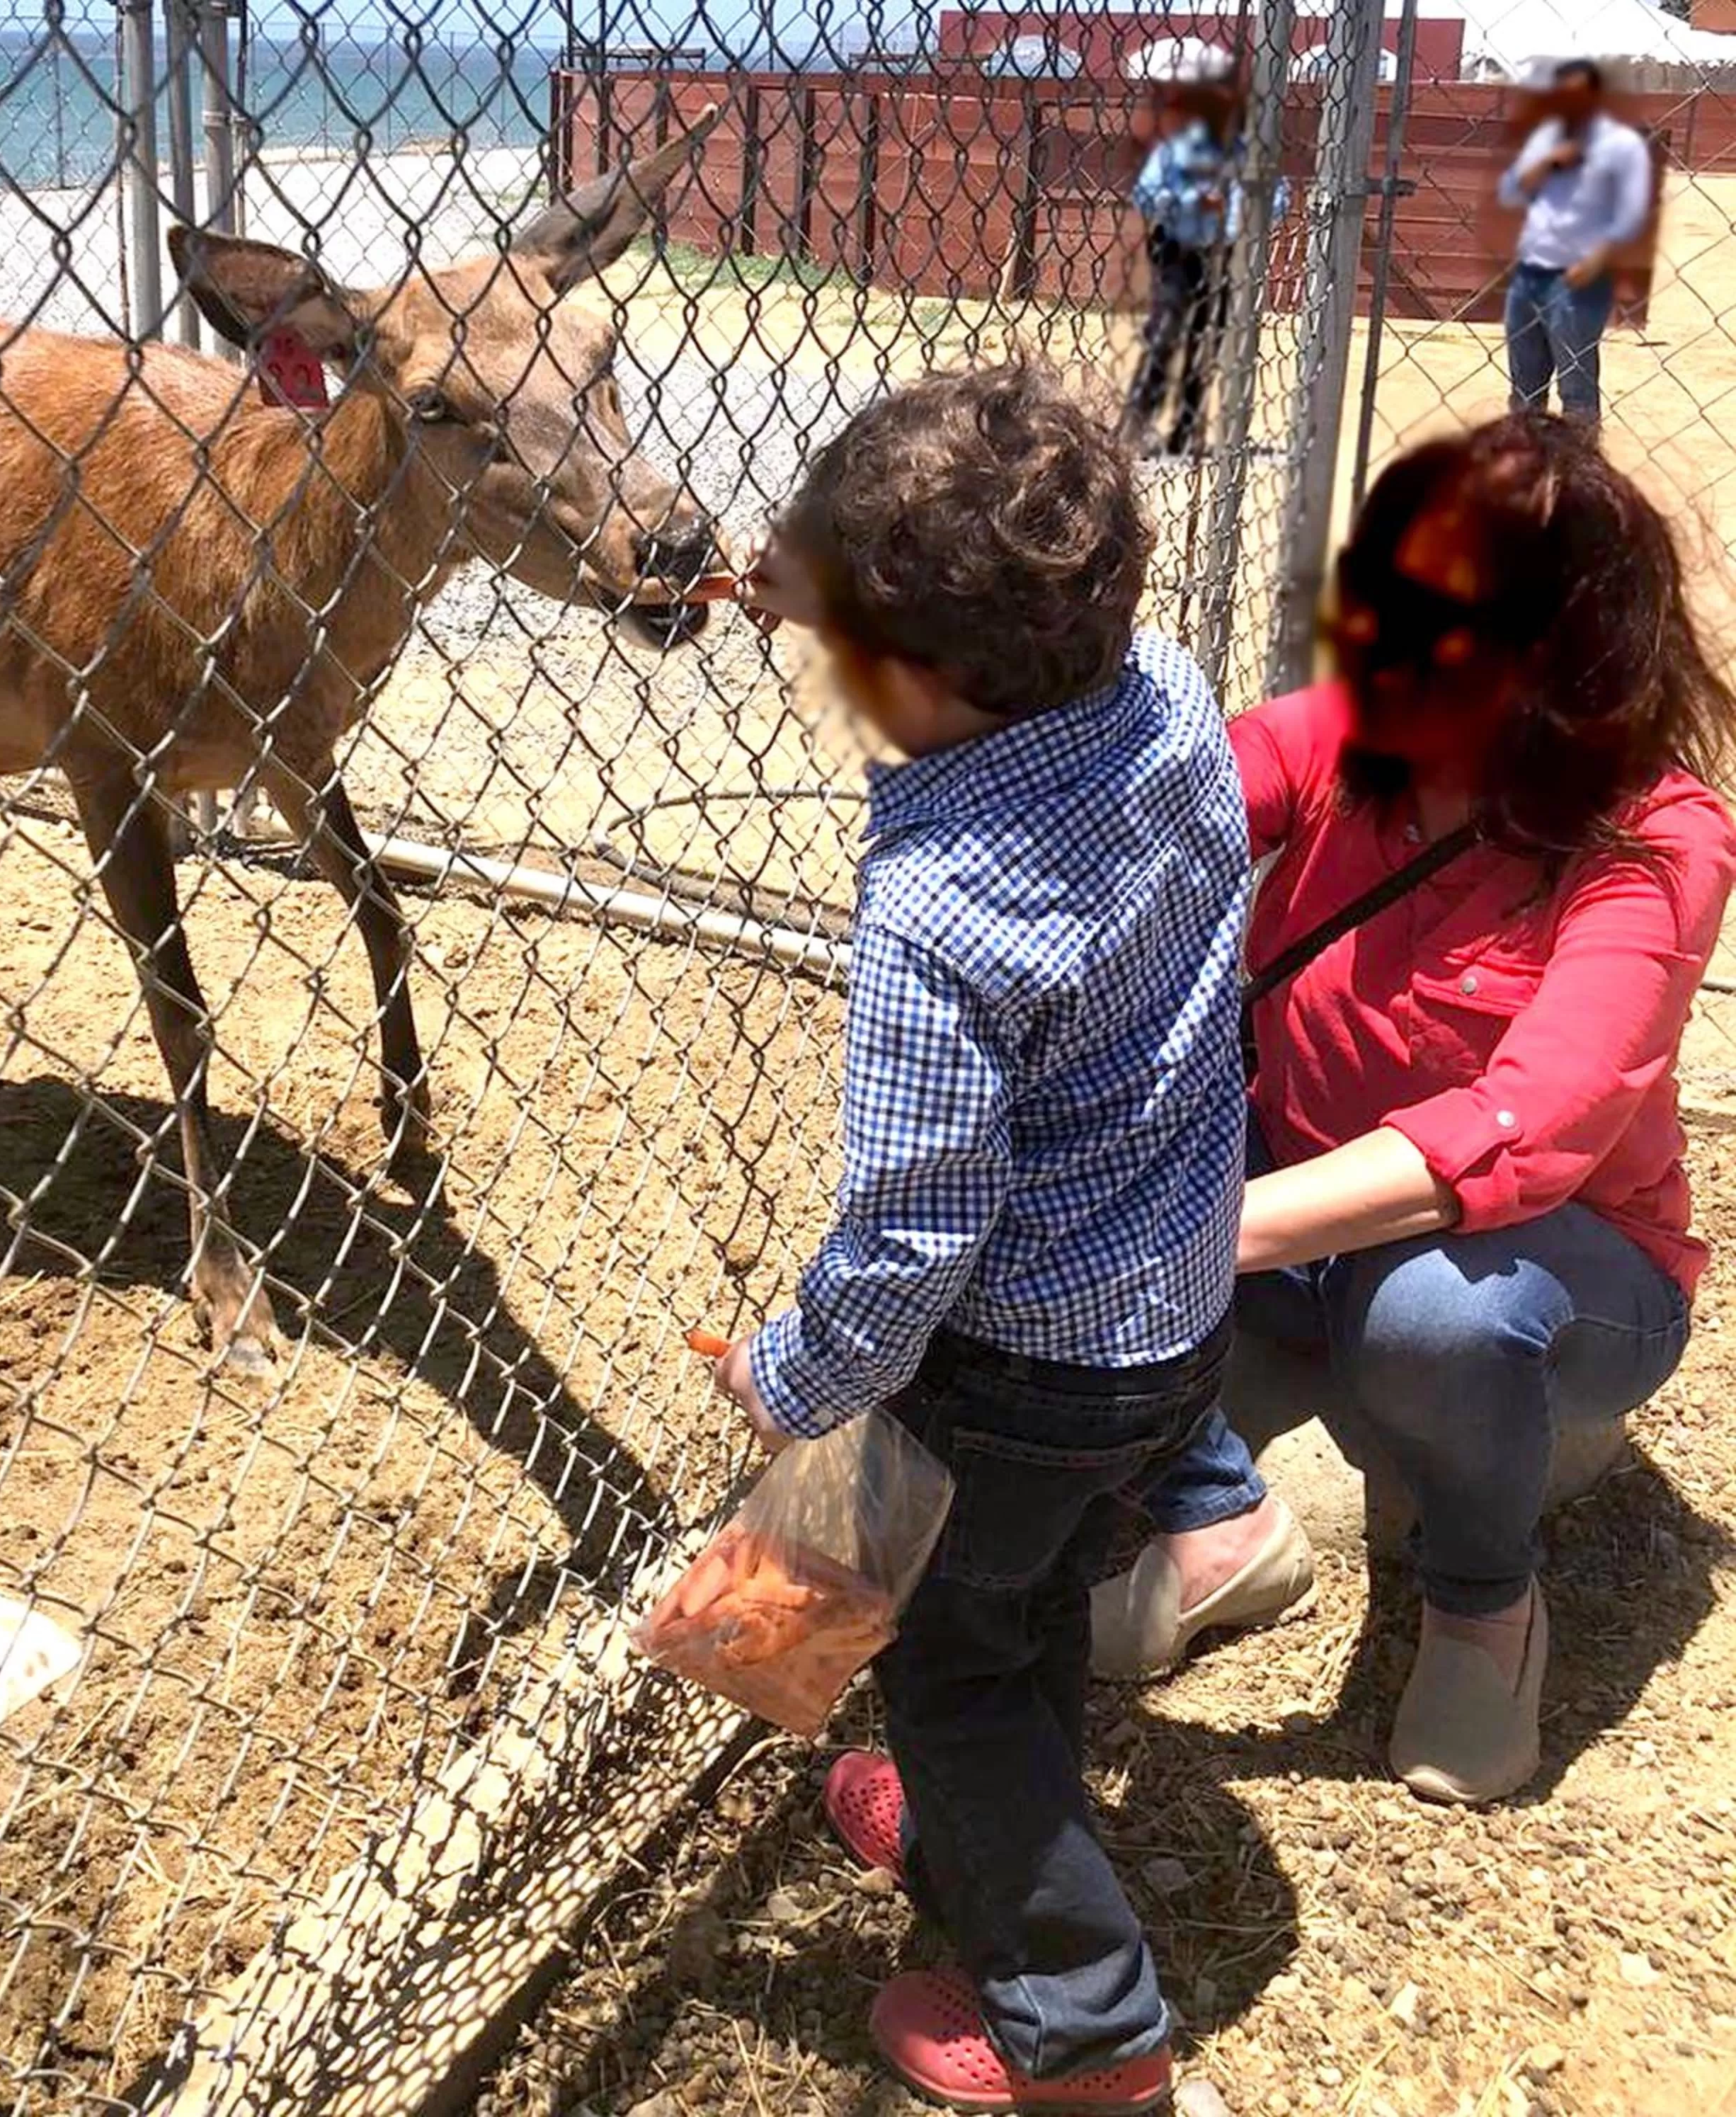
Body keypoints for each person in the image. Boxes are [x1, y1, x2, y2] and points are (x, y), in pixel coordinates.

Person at [719, 366, 1250, 2113]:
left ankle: (1087, 2033)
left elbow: (909, 1232)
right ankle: (972, 1847)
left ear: (919, 680)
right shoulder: (1162, 695)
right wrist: (800, 577)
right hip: (1169, 1322)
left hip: (1008, 1367)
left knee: (949, 1664)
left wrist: (790, 1380)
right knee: (1014, 1614)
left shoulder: (940, 910)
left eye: (842, 663)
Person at [1090, 413, 1736, 1810]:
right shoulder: (1355, 733)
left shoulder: (1658, 830)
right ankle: (1218, 1524)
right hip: (1299, 1197)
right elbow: (1176, 780)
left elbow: (1542, 1115)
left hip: (1558, 1252)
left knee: (1434, 1321)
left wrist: (1199, 1234)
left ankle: (1485, 1602)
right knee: (1085, 1171)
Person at [1124, 67, 1285, 459]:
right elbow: (1146, 196)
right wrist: (1194, 201)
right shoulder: (1178, 150)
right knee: (1164, 336)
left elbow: (1278, 200)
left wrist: (1243, 211)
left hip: (1226, 256)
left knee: (1206, 342)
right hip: (1179, 252)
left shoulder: (1249, 156)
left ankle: (1185, 431)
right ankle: (1135, 428)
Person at [1497, 58, 1652, 426]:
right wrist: (1549, 161)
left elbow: (1633, 216)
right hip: (1530, 274)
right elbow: (1510, 194)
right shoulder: (1546, 139)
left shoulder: (1622, 146)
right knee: (1524, 389)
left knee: (1577, 390)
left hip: (1580, 278)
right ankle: (1529, 464)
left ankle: (1579, 471)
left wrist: (1596, 262)